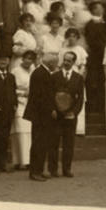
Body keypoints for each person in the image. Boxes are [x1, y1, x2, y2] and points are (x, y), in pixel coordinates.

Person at [24, 51, 60, 181]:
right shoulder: (41, 74)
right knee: (39, 143)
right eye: (55, 63)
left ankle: (38, 169)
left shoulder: (42, 73)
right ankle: (35, 171)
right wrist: (51, 109)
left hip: (41, 114)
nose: (57, 65)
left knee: (41, 143)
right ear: (50, 63)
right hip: (41, 115)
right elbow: (42, 96)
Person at [51, 49, 84, 178]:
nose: (66, 63)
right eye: (64, 60)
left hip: (70, 116)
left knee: (68, 144)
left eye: (69, 61)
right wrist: (53, 110)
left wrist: (74, 113)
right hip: (56, 116)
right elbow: (50, 95)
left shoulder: (78, 78)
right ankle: (53, 169)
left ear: (74, 62)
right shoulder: (55, 76)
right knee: (53, 143)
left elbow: (80, 98)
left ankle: (67, 169)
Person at [9, 49, 35, 170]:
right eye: (27, 58)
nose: (28, 61)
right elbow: (10, 88)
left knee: (29, 132)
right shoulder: (15, 71)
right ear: (22, 58)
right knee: (19, 132)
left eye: (31, 59)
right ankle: (19, 161)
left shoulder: (33, 70)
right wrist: (22, 93)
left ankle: (28, 160)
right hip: (19, 103)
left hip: (30, 104)